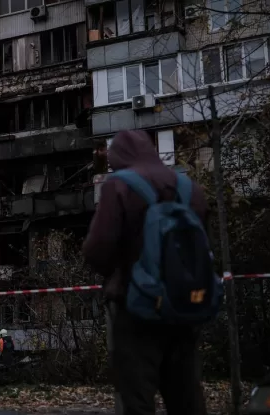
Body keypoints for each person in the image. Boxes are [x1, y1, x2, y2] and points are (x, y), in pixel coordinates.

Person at [82, 130, 210, 415]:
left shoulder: (119, 186)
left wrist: (114, 274)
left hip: (136, 306)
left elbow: (97, 249)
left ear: (119, 158)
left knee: (137, 398)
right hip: (185, 307)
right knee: (187, 397)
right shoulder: (189, 187)